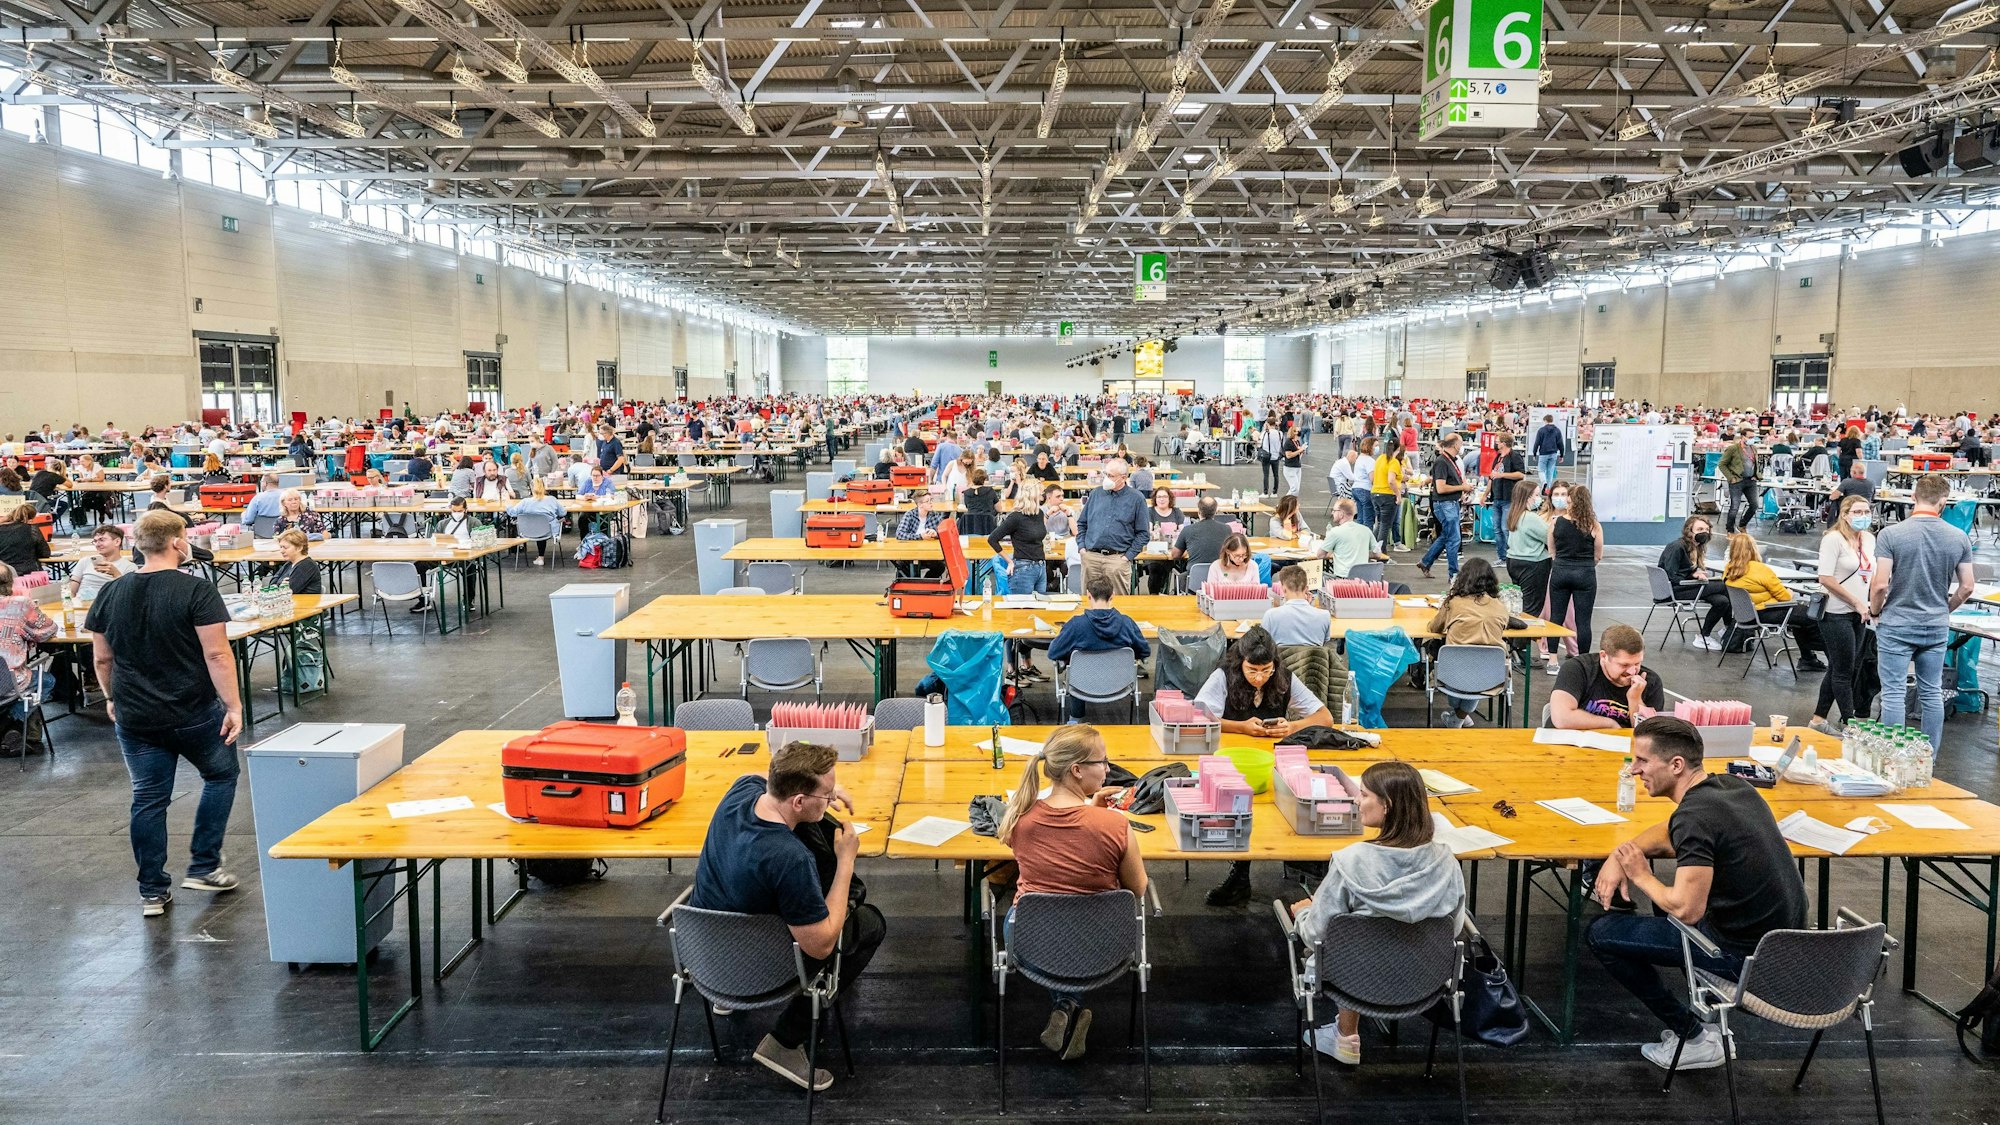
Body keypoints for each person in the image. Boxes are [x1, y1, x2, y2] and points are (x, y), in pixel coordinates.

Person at [1587, 717, 1807, 1071]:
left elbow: (1687, 910)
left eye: (1642, 761)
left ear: (1676, 765)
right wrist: (1619, 855)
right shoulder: (1733, 787)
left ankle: (1694, 1038)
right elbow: (1668, 830)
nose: (1634, 770)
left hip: (1744, 958)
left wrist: (1640, 873)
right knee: (1665, 901)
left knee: (1601, 933)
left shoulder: (1694, 817)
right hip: (1786, 946)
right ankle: (1700, 1015)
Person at [688, 740, 884, 1094]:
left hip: (703, 956)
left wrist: (823, 789)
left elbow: (758, 776)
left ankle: (726, 1001)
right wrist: (846, 862)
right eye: (825, 795)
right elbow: (821, 945)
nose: (831, 799)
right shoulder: (790, 859)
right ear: (798, 800)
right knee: (868, 922)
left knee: (811, 831)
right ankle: (784, 1041)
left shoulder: (741, 792)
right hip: (757, 971)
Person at [86, 510, 244, 918]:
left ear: (136, 545)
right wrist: (233, 705)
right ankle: (204, 864)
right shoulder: (197, 590)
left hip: (135, 715)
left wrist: (111, 697)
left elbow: (102, 658)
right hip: (193, 711)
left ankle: (152, 892)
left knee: (148, 798)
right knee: (221, 775)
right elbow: (216, 654)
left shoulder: (110, 592)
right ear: (177, 542)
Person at [1290, 761, 1465, 1064]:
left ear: (1388, 805)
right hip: (1424, 982)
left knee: (1344, 938)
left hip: (1355, 982)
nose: (1356, 801)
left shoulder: (1350, 863)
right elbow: (1455, 927)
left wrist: (1304, 914)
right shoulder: (1447, 864)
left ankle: (1345, 1037)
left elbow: (1316, 934)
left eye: (1364, 794)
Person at [996, 724, 1146, 1060]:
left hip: (1031, 940)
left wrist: (1091, 810)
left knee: (1059, 926)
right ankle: (1069, 1005)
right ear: (1077, 770)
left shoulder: (1020, 819)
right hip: (1105, 944)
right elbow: (1138, 888)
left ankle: (1065, 1004)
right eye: (1102, 761)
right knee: (1077, 925)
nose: (1108, 768)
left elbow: (1064, 844)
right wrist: (1098, 816)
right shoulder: (1115, 825)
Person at [1198, 625, 1335, 906]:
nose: (1259, 677)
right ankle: (1239, 875)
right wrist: (1241, 727)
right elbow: (1199, 719)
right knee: (1241, 807)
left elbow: (1325, 718)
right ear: (1241, 662)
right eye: (1252, 670)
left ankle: (1305, 863)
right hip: (1233, 762)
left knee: (1291, 800)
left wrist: (1291, 726)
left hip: (1273, 761)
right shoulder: (1223, 676)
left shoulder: (1283, 678)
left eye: (1266, 670)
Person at [1870, 473, 1976, 748]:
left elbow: (1880, 584)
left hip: (1897, 623)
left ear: (1913, 497)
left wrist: (1875, 611)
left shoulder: (1890, 534)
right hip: (1936, 625)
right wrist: (1944, 609)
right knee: (1931, 693)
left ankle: (1893, 757)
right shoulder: (1959, 537)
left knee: (1893, 693)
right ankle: (1927, 759)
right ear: (1943, 502)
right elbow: (1967, 587)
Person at [1811, 495, 1877, 734]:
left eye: (1866, 512)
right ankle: (1851, 725)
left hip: (1860, 613)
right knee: (1843, 672)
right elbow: (1825, 578)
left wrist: (1873, 604)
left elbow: (1871, 574)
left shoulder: (1868, 539)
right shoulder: (1833, 539)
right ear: (1845, 515)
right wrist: (1856, 602)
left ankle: (1817, 720)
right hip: (1835, 612)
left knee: (1841, 667)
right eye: (1857, 512)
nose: (1863, 516)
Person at [1045, 575, 1150, 722]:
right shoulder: (1126, 623)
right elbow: (1145, 651)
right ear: (1112, 596)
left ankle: (1075, 720)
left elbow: (1053, 652)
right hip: (1119, 685)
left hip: (1082, 686)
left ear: (1088, 595)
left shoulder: (1076, 625)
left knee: (1074, 665)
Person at [1426, 557, 1511, 728]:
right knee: (1477, 671)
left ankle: (1458, 718)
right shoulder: (1500, 607)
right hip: (1491, 675)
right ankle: (1460, 716)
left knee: (1460, 676)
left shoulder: (1454, 603)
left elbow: (1434, 628)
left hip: (1452, 674)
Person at [1721, 533, 1824, 670]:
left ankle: (1808, 658)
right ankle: (1821, 649)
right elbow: (1785, 597)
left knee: (1799, 619)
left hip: (1746, 614)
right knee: (1810, 615)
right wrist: (1790, 592)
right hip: (1765, 611)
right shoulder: (1760, 569)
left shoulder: (1729, 569)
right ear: (1753, 548)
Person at [1551, 624, 1664, 730]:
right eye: (1624, 665)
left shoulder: (1651, 681)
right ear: (1604, 656)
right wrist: (1610, 725)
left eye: (1637, 663)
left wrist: (1635, 699)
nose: (1632, 671)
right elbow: (1561, 718)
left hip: (1624, 743)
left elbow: (1651, 734)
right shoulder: (1578, 668)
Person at [1543, 481, 1603, 675]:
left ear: (1570, 501)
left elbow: (1551, 549)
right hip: (1585, 574)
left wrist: (1562, 562)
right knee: (1583, 621)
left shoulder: (1556, 522)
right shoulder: (1594, 525)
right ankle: (1583, 662)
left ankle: (1552, 660)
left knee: (1556, 617)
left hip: (1560, 571)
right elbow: (1598, 555)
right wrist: (1585, 565)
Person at [0, 561, 57, 754]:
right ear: (11, 582)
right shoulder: (20, 605)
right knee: (47, 680)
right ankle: (11, 726)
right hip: (8, 682)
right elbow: (48, 630)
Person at [1073, 459, 1148, 596]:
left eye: (1111, 476)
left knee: (1118, 601)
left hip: (1117, 560)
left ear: (1123, 478)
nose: (1106, 478)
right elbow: (1082, 523)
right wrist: (1082, 548)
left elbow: (1143, 533)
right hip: (1091, 557)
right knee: (1089, 600)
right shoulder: (1096, 494)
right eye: (1106, 474)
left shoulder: (1136, 499)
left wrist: (1128, 557)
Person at [1656, 515, 1729, 651]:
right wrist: (1692, 577)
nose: (1704, 532)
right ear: (1689, 531)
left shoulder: (1697, 548)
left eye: (1706, 530)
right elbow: (1671, 576)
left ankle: (1704, 636)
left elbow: (1683, 571)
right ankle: (1730, 627)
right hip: (1674, 590)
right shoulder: (1677, 547)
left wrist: (1694, 574)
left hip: (1684, 586)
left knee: (1722, 601)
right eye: (1700, 529)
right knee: (1725, 585)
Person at [1417, 432, 1471, 581]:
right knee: (1454, 539)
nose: (1462, 446)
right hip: (1445, 504)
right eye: (1460, 443)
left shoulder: (1450, 461)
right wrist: (1462, 487)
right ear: (1455, 445)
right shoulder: (1442, 462)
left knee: (1447, 535)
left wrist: (1461, 491)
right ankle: (1453, 574)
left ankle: (1426, 562)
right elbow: (1440, 488)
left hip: (1450, 503)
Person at [988, 488, 1048, 597]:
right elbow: (992, 539)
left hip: (1041, 566)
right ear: (1032, 493)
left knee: (1042, 605)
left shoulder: (1039, 514)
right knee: (1021, 606)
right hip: (1023, 569)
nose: (1043, 493)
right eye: (1040, 490)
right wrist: (1009, 561)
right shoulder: (1015, 517)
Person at [1262, 563, 1331, 646]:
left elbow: (1264, 644)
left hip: (1282, 654)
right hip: (1313, 654)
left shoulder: (1271, 616)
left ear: (1283, 589)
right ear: (1306, 589)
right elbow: (1324, 641)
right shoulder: (1324, 616)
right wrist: (1308, 607)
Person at [66, 523, 136, 603]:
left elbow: (128, 595)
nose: (97, 544)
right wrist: (71, 604)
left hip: (109, 606)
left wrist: (116, 574)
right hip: (81, 605)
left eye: (102, 540)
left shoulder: (129, 567)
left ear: (117, 541)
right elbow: (71, 591)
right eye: (95, 541)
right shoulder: (85, 561)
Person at [1487, 435, 1525, 566]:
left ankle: (1511, 557)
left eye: (1497, 442)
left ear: (1503, 443)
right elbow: (1492, 477)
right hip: (1497, 497)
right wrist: (1486, 494)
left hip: (1509, 497)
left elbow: (1521, 474)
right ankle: (1502, 556)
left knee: (1506, 528)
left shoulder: (1514, 456)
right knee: (1497, 529)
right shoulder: (1498, 457)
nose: (1496, 444)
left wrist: (1502, 475)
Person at [894, 490, 947, 579]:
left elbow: (944, 533)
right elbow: (899, 534)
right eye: (928, 501)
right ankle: (909, 584)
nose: (931, 503)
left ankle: (925, 583)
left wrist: (936, 534)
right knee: (901, 565)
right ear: (920, 504)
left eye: (931, 500)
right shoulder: (910, 515)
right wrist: (920, 536)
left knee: (940, 567)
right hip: (910, 552)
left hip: (929, 554)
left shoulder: (935, 515)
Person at [1171, 495, 1232, 572]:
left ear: (1199, 512)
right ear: (1215, 512)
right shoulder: (1227, 529)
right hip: (1220, 574)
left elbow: (1175, 555)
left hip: (1195, 576)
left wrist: (1187, 551)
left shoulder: (1188, 530)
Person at [1144, 487, 1187, 595]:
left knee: (1182, 566)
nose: (1161, 499)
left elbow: (1183, 531)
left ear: (1169, 498)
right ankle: (1154, 595)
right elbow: (1149, 530)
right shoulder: (1150, 511)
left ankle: (1174, 593)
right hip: (1155, 551)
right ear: (1155, 498)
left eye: (1164, 496)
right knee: (1156, 568)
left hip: (1174, 549)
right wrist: (1154, 532)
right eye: (1159, 497)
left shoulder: (1177, 512)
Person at [1371, 432, 1409, 552]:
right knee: (1385, 526)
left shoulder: (1380, 458)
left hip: (1375, 493)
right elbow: (1391, 480)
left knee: (1380, 523)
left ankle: (1371, 548)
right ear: (1398, 448)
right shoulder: (1394, 462)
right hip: (1387, 495)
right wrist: (1398, 495)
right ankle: (1381, 553)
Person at [1718, 430, 1758, 535]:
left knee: (1754, 505)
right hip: (1737, 481)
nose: (1752, 439)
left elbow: (1755, 463)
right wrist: (1730, 477)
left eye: (1753, 437)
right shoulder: (1733, 449)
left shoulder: (1753, 448)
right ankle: (1730, 530)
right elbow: (1722, 464)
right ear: (1743, 437)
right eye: (1750, 437)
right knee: (1735, 507)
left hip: (1750, 481)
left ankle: (1742, 525)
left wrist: (1756, 474)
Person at [0, 503, 50, 576]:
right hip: (28, 574)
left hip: (4, 573)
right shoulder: (32, 529)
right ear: (31, 518)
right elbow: (45, 553)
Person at [269, 529, 323, 594]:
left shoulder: (306, 566)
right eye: (281, 547)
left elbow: (289, 590)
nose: (281, 551)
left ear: (299, 548)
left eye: (285, 548)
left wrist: (279, 584)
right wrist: (281, 584)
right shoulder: (290, 563)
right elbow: (272, 583)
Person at [958, 468, 999, 537]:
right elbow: (999, 508)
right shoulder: (990, 491)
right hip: (988, 525)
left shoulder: (966, 493)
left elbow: (967, 507)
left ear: (972, 479)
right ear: (984, 480)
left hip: (970, 525)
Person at [1532, 414, 1564, 483]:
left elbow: (1537, 443)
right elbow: (1560, 443)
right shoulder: (1557, 430)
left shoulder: (1541, 430)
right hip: (1553, 453)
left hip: (1543, 453)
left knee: (1541, 470)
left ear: (1545, 421)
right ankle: (1548, 488)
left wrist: (1534, 453)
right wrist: (1561, 455)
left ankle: (1544, 483)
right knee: (1550, 471)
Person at [1280, 422, 1305, 496]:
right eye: (1298, 431)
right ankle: (1285, 501)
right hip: (1290, 467)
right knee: (1294, 488)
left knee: (1296, 488)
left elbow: (1298, 456)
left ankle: (1292, 501)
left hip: (1297, 466)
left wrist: (1301, 452)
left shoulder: (1297, 442)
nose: (1299, 432)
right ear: (1294, 432)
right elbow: (1288, 455)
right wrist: (1299, 451)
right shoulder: (1288, 442)